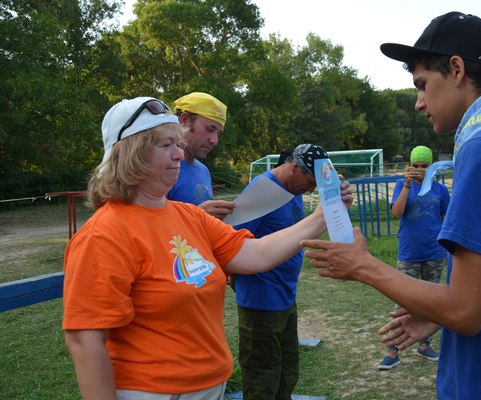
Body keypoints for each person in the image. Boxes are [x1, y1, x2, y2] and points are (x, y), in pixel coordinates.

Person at [301, 12, 481, 399]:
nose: (418, 103)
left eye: (422, 85)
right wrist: (435, 314)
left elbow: (464, 311)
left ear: (457, 69)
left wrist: (364, 265)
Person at [62, 97, 353, 400]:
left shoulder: (190, 216)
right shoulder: (103, 234)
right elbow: (86, 340)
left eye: (178, 143)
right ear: (129, 153)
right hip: (152, 391)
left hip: (209, 386)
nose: (178, 154)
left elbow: (257, 254)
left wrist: (324, 215)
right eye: (165, 145)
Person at [233, 143, 328, 400]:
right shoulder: (261, 192)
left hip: (285, 296)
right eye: (309, 182)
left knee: (288, 371)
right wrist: (244, 285)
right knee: (262, 378)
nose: (310, 190)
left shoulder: (291, 189)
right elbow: (232, 245)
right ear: (294, 168)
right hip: (260, 301)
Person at [378, 145, 450, 370]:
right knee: (403, 301)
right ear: (409, 166)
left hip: (434, 253)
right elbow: (396, 213)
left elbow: (446, 219)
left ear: (432, 168)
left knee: (430, 301)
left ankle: (424, 345)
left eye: (424, 166)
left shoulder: (440, 190)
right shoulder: (402, 185)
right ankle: (393, 350)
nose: (419, 170)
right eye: (415, 165)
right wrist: (407, 185)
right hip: (409, 253)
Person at [167, 92, 236, 220]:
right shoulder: (160, 168)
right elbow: (146, 223)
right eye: (210, 129)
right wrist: (199, 214)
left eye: (218, 134)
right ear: (184, 120)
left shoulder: (204, 170)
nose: (214, 141)